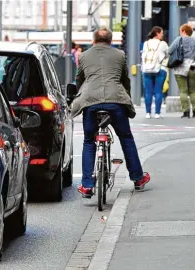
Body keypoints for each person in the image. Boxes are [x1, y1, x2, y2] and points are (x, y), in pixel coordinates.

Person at [71, 28, 150, 198]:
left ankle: (87, 185)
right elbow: (124, 79)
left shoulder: (84, 56)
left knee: (88, 141)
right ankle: (138, 178)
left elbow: (79, 79)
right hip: (116, 102)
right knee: (126, 138)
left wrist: (81, 93)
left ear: (94, 40)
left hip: (91, 102)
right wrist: (126, 96)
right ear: (110, 40)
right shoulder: (119, 55)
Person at [141, 26, 169, 119]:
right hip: (159, 69)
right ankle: (157, 113)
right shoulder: (163, 43)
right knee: (158, 91)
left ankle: (148, 113)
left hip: (147, 69)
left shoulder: (146, 43)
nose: (162, 34)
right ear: (157, 33)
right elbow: (168, 54)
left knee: (148, 92)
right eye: (161, 33)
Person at [169, 24, 195, 118]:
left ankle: (186, 112)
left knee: (183, 91)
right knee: (193, 91)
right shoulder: (194, 40)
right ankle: (195, 111)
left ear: (184, 31)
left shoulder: (179, 39)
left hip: (180, 67)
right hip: (192, 67)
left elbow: (170, 50)